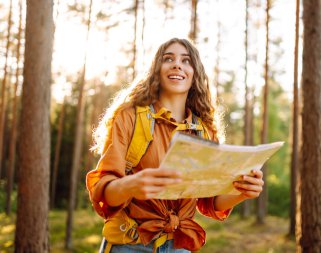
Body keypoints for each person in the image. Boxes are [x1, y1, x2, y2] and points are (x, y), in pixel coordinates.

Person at [86, 38, 264, 253]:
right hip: (129, 243)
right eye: (168, 58)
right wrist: (131, 185)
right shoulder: (129, 117)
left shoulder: (204, 131)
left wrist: (242, 192)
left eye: (186, 60)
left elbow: (210, 201)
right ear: (156, 70)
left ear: (194, 74)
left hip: (180, 246)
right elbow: (104, 192)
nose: (177, 64)